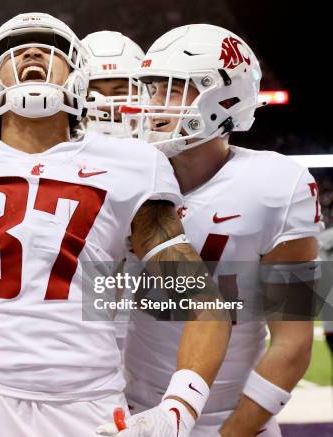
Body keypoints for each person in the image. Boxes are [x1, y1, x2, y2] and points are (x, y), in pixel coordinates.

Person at [0, 13, 231, 437]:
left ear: (78, 74)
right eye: (15, 49)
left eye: (50, 47)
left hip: (91, 407)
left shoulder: (133, 164)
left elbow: (205, 303)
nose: (32, 52)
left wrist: (179, 408)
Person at [107, 24, 321, 437]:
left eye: (170, 90)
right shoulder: (123, 178)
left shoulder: (277, 185)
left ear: (223, 99)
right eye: (151, 90)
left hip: (235, 424)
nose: (153, 105)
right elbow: (99, 313)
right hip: (132, 418)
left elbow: (293, 344)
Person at [82, 30, 144, 138]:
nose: (106, 107)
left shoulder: (159, 153)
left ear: (144, 93)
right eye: (94, 95)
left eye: (119, 93)